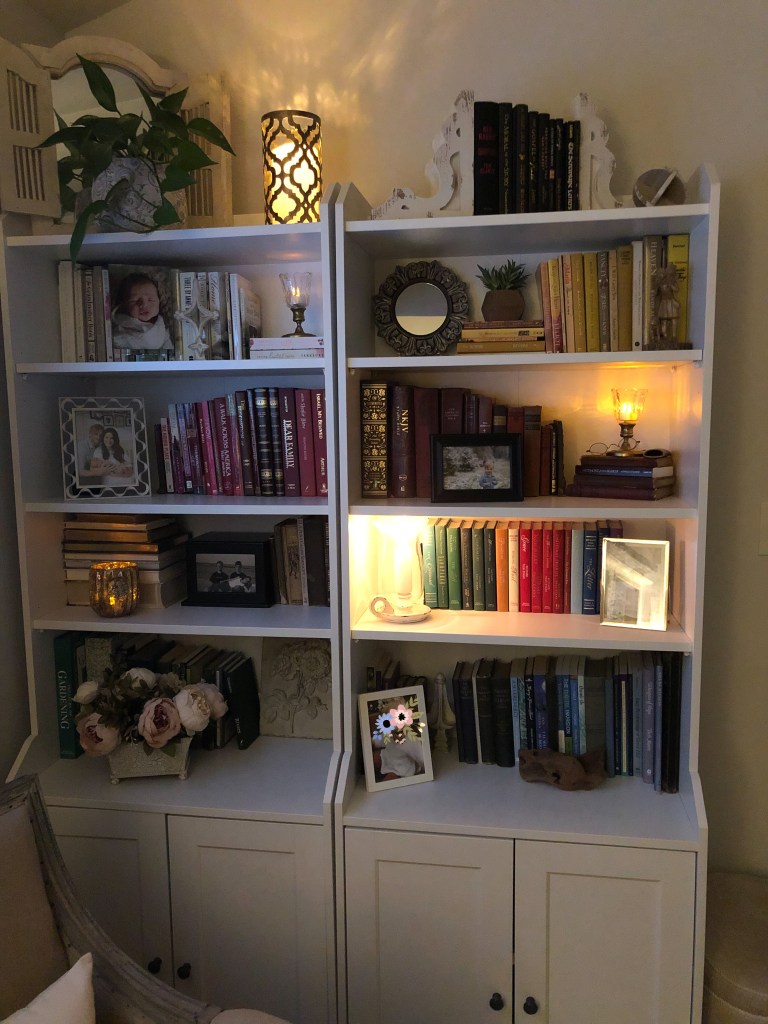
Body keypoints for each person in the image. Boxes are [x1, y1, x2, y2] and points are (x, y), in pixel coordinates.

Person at [111, 273, 173, 353]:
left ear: (159, 301)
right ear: (124, 305)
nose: (143, 304)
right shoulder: (121, 326)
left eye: (150, 300)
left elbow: (168, 344)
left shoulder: (161, 325)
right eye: (134, 301)